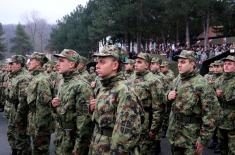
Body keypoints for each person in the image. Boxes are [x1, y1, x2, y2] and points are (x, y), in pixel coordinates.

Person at [89, 45, 143, 155]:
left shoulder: (124, 91)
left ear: (114, 65)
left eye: (102, 62)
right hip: (98, 145)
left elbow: (125, 134)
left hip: (111, 149)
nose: (97, 66)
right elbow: (100, 121)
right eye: (97, 62)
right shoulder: (103, 87)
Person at [167, 50, 221, 155]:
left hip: (191, 137)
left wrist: (203, 140)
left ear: (192, 63)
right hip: (175, 133)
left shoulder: (202, 83)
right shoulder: (177, 79)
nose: (179, 65)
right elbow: (169, 100)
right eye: (178, 62)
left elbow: (212, 114)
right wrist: (168, 96)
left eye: (183, 62)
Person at [52, 49, 93, 155]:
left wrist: (78, 148)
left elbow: (84, 122)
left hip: (73, 139)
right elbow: (65, 110)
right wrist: (56, 106)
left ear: (71, 64)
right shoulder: (63, 82)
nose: (57, 64)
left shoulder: (81, 86)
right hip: (61, 136)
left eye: (61, 61)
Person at [131, 52, 164, 155]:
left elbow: (158, 108)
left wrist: (153, 130)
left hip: (145, 125)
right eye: (135, 62)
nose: (136, 64)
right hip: (131, 123)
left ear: (147, 65)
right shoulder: (131, 78)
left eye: (139, 62)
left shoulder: (154, 81)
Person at [26, 52, 53, 155]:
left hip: (40, 124)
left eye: (31, 60)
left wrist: (40, 129)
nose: (28, 63)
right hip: (35, 120)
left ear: (38, 63)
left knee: (40, 151)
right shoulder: (35, 78)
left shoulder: (42, 80)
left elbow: (44, 108)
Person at [7, 55, 31, 155]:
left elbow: (23, 101)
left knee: (22, 139)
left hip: (20, 113)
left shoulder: (24, 78)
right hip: (14, 110)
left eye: (12, 63)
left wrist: (19, 117)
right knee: (12, 134)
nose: (10, 65)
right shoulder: (15, 76)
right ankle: (15, 151)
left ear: (19, 64)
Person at [215, 55, 235, 155]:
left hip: (232, 120)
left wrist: (221, 95)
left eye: (230, 64)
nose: (226, 66)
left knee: (232, 149)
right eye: (225, 64)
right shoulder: (219, 79)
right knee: (222, 146)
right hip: (221, 118)